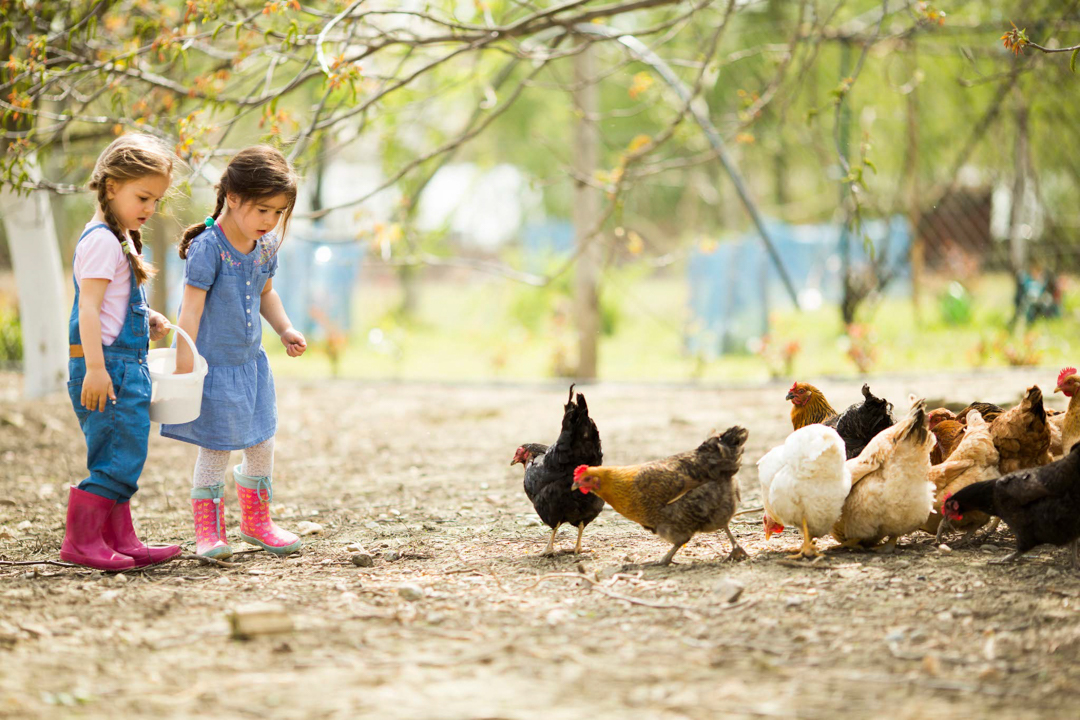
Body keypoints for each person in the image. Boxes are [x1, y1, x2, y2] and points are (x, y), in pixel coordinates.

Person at [162, 146, 307, 559]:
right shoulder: (209, 248)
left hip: (251, 367)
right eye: (263, 209)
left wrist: (284, 328)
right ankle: (209, 531)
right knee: (217, 447)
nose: (271, 221)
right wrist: (184, 365)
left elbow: (267, 293)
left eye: (278, 212)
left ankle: (256, 522)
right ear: (233, 198)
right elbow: (188, 311)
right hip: (214, 369)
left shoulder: (264, 248)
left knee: (262, 440)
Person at [62, 134, 182, 570]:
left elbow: (113, 304)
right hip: (106, 367)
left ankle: (119, 537)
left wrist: (145, 316)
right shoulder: (101, 241)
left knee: (126, 452)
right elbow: (87, 311)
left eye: (156, 200)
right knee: (114, 456)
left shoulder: (122, 238)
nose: (149, 208)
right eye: (143, 196)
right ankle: (81, 542)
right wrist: (95, 368)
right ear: (111, 186)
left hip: (125, 366)